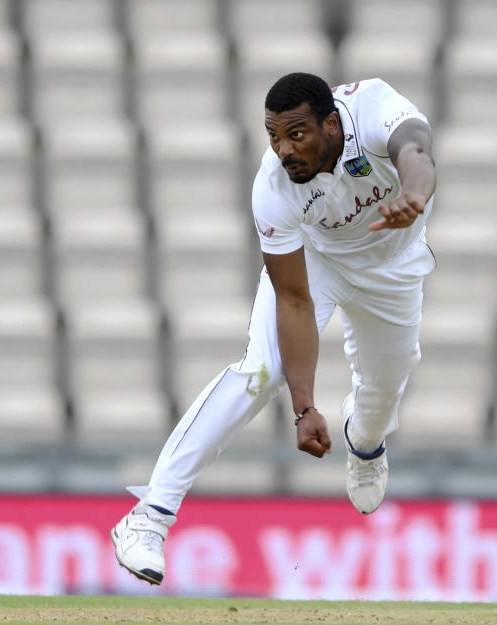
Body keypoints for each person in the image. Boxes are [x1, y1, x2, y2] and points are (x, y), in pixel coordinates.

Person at [111, 73, 437, 585]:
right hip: (320, 263)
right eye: (273, 136)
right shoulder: (274, 187)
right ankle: (149, 516)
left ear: (332, 124)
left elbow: (416, 150)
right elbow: (292, 298)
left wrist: (414, 196)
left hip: (394, 267)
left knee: (384, 389)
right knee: (260, 372)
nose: (284, 150)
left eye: (297, 135)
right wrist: (304, 407)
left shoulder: (374, 108)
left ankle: (366, 446)